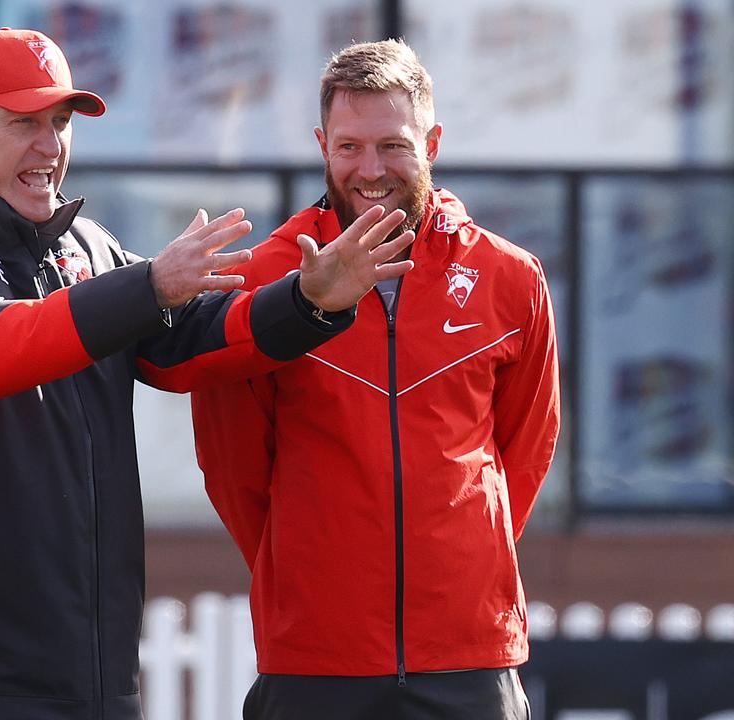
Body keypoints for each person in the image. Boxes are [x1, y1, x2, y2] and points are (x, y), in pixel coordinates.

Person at [0, 28, 416, 720]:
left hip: (91, 682)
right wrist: (149, 286)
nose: (51, 146)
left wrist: (307, 304)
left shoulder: (83, 245)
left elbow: (186, 343)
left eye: (61, 123)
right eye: (24, 123)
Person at [191, 39, 561, 719]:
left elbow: (525, 453)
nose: (370, 170)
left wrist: (458, 560)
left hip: (468, 651)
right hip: (314, 653)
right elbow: (233, 468)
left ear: (433, 141)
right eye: (349, 147)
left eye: (393, 145)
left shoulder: (512, 280)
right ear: (321, 145)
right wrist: (308, 567)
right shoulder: (261, 284)